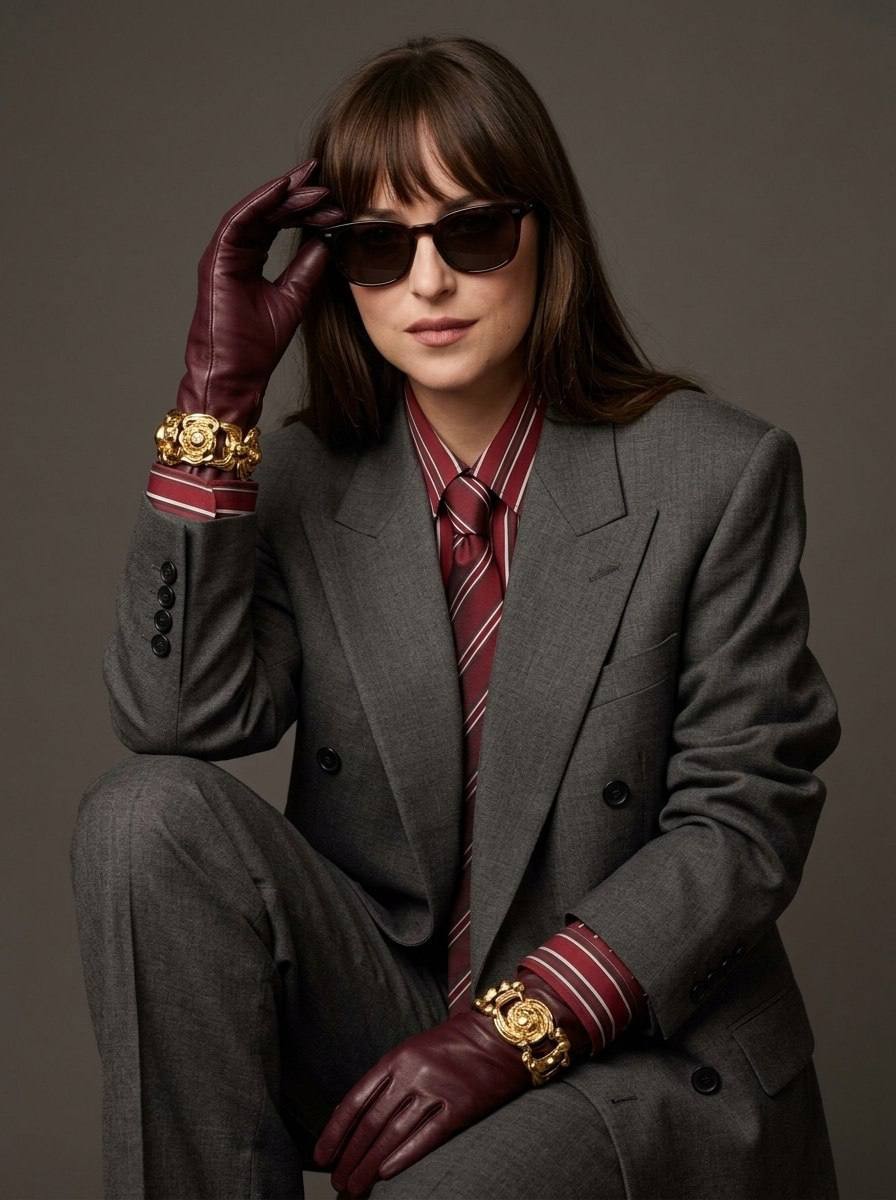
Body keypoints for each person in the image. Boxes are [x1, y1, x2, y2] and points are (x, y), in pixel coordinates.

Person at [70, 33, 842, 1200]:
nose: (426, 283)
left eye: (470, 233)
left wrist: (510, 1029)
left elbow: (742, 821)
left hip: (634, 1043)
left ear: (546, 234)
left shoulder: (712, 474)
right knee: (142, 819)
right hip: (389, 1012)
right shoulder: (304, 482)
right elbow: (177, 717)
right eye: (378, 246)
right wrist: (213, 398)